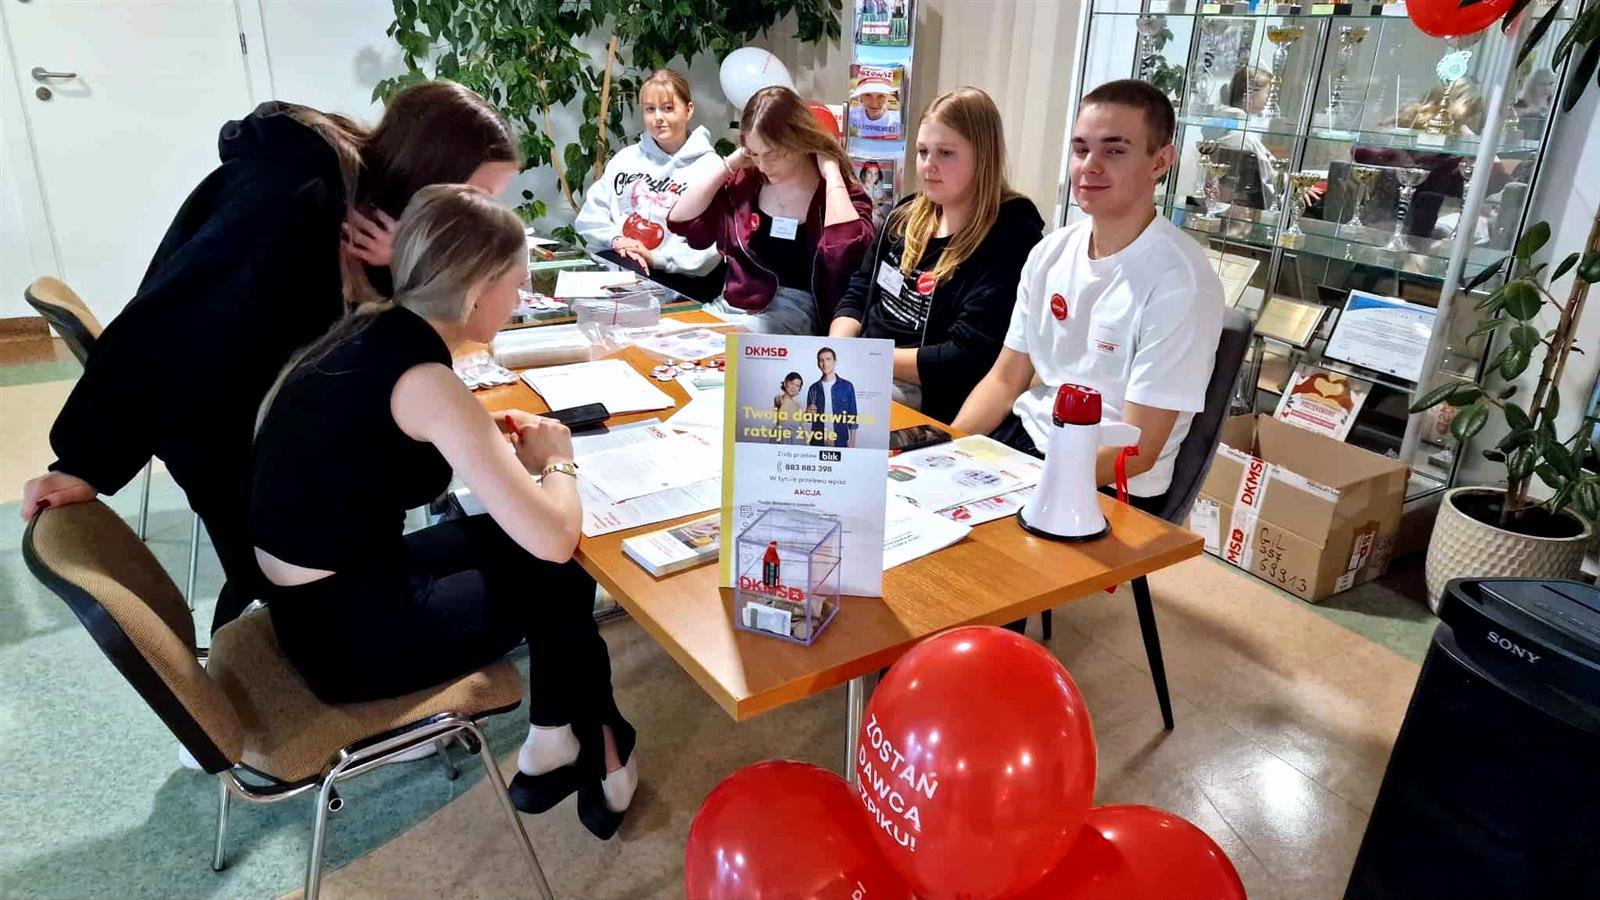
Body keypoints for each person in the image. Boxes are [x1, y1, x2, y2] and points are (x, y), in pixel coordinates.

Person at [20, 82, 520, 633]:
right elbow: (169, 327)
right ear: (429, 171)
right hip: (240, 447)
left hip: (282, 428)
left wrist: (398, 263)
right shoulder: (292, 195)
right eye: (477, 193)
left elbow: (349, 325)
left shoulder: (356, 200)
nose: (480, 213)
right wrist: (87, 461)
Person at [251, 184, 636, 839]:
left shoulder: (370, 329)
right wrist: (558, 460)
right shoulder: (425, 380)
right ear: (477, 290)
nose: (522, 297)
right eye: (518, 283)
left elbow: (376, 449)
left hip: (315, 600)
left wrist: (481, 441)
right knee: (561, 561)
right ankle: (585, 737)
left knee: (529, 553)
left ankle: (563, 736)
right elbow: (552, 536)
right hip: (348, 640)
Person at [951, 79, 1224, 515]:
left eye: (1113, 151)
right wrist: (946, 452)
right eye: (1081, 149)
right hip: (1026, 447)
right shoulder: (1050, 253)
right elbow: (1004, 382)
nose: (1089, 166)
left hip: (1109, 481)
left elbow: (1139, 450)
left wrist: (1033, 491)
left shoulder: (1181, 281)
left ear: (1160, 162)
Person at [830, 87, 1044, 422]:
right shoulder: (905, 214)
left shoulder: (1011, 235)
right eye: (923, 151)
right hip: (867, 365)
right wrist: (838, 346)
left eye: (945, 153)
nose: (929, 166)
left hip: (931, 390)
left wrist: (867, 358)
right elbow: (859, 291)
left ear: (983, 157)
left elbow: (966, 356)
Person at [668, 85, 875, 335]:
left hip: (796, 313)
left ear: (799, 142)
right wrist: (731, 163)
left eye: (773, 154)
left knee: (730, 342)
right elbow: (681, 219)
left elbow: (848, 254)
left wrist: (832, 173)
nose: (764, 165)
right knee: (672, 335)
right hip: (734, 305)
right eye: (755, 153)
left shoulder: (835, 193)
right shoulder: (747, 183)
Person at [574, 69, 727, 301]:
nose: (658, 118)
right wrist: (617, 241)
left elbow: (713, 247)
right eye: (650, 109)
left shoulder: (711, 167)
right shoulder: (625, 159)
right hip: (621, 263)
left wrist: (655, 258)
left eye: (668, 108)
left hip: (680, 279)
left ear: (688, 110)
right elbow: (591, 216)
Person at [806, 347, 858, 448]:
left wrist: (852, 443)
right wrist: (808, 413)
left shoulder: (847, 386)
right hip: (817, 443)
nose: (825, 364)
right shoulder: (813, 388)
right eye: (821, 360)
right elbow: (809, 419)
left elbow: (853, 416)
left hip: (840, 443)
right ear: (818, 364)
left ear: (835, 361)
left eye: (828, 359)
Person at [773, 371, 807, 444]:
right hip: (784, 433)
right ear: (785, 383)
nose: (794, 387)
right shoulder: (780, 398)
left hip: (797, 435)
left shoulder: (798, 404)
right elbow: (778, 401)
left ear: (799, 389)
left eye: (797, 386)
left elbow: (800, 421)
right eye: (792, 383)